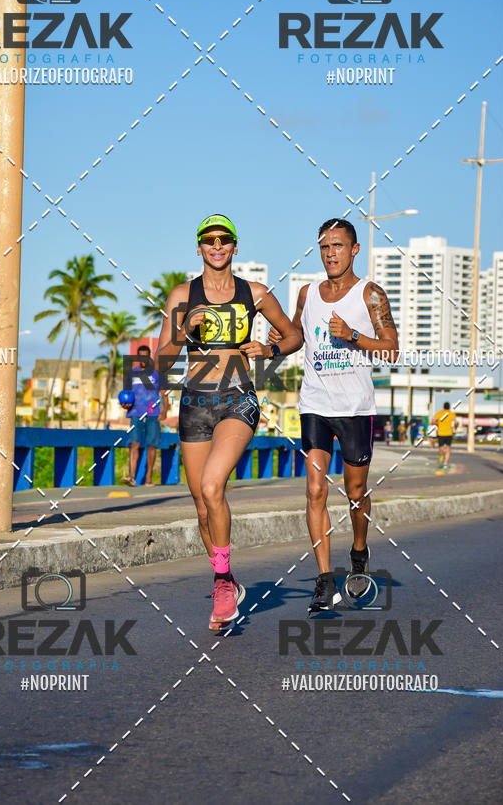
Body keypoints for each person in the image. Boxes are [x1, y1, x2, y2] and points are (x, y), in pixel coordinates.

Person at [155, 215, 301, 630]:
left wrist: (269, 350)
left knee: (212, 486)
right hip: (195, 402)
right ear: (199, 247)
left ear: (235, 247)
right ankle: (228, 579)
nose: (216, 246)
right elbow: (162, 361)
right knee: (202, 507)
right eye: (209, 240)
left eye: (224, 240)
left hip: (238, 398)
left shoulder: (253, 293)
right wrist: (185, 330)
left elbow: (293, 336)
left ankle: (221, 584)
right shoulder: (182, 294)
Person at [269, 218, 398, 613]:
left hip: (355, 408)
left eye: (338, 246)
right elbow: (294, 338)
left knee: (355, 492)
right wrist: (275, 346)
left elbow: (391, 350)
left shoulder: (370, 294)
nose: (331, 254)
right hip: (315, 405)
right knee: (315, 489)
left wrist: (353, 336)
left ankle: (359, 551)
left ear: (354, 250)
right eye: (325, 247)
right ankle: (324, 581)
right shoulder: (308, 294)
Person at [120, 345, 168, 486]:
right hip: (135, 413)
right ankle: (132, 477)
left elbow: (164, 394)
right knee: (134, 444)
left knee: (152, 446)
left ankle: (148, 479)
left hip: (153, 414)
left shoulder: (157, 373)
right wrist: (124, 405)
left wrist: (165, 411)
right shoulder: (131, 373)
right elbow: (125, 395)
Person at [433, 401, 457, 472]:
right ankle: (445, 463)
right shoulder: (451, 414)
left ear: (443, 407)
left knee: (441, 448)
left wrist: (438, 424)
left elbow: (433, 421)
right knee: (448, 448)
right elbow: (455, 422)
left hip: (440, 433)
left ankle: (441, 456)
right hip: (449, 433)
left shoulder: (439, 413)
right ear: (449, 407)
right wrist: (455, 427)